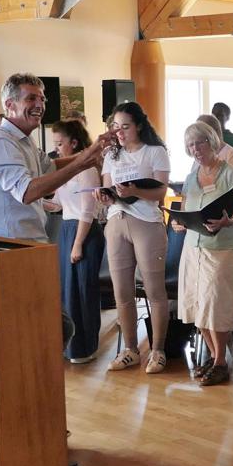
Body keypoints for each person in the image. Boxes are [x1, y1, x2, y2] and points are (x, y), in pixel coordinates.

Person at [0, 73, 115, 243]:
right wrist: (81, 164)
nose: (39, 105)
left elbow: (50, 167)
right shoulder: (1, 142)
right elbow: (26, 192)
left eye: (42, 99)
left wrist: (90, 151)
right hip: (9, 242)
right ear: (10, 105)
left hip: (27, 238)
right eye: (31, 99)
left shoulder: (24, 138)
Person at [100, 101, 172, 374]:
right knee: (122, 291)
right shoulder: (111, 155)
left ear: (139, 125)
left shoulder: (155, 152)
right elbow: (108, 190)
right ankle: (130, 348)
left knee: (154, 290)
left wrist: (136, 192)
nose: (119, 132)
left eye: (125, 126)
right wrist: (104, 195)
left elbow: (160, 193)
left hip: (146, 222)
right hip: (117, 221)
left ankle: (158, 349)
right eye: (116, 127)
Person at [174, 122, 233, 386]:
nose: (196, 149)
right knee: (196, 303)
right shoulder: (191, 177)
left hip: (223, 248)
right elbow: (184, 208)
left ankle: (220, 362)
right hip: (193, 248)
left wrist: (227, 222)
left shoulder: (231, 173)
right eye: (191, 145)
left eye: (201, 143)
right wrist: (178, 222)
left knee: (216, 304)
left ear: (212, 143)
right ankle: (216, 357)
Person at [51, 119, 103, 364]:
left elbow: (87, 211)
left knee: (83, 292)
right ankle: (69, 347)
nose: (57, 149)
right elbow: (60, 205)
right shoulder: (67, 168)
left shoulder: (88, 169)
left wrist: (78, 244)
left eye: (60, 144)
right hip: (67, 228)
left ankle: (86, 347)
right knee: (67, 292)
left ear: (74, 142)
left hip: (84, 232)